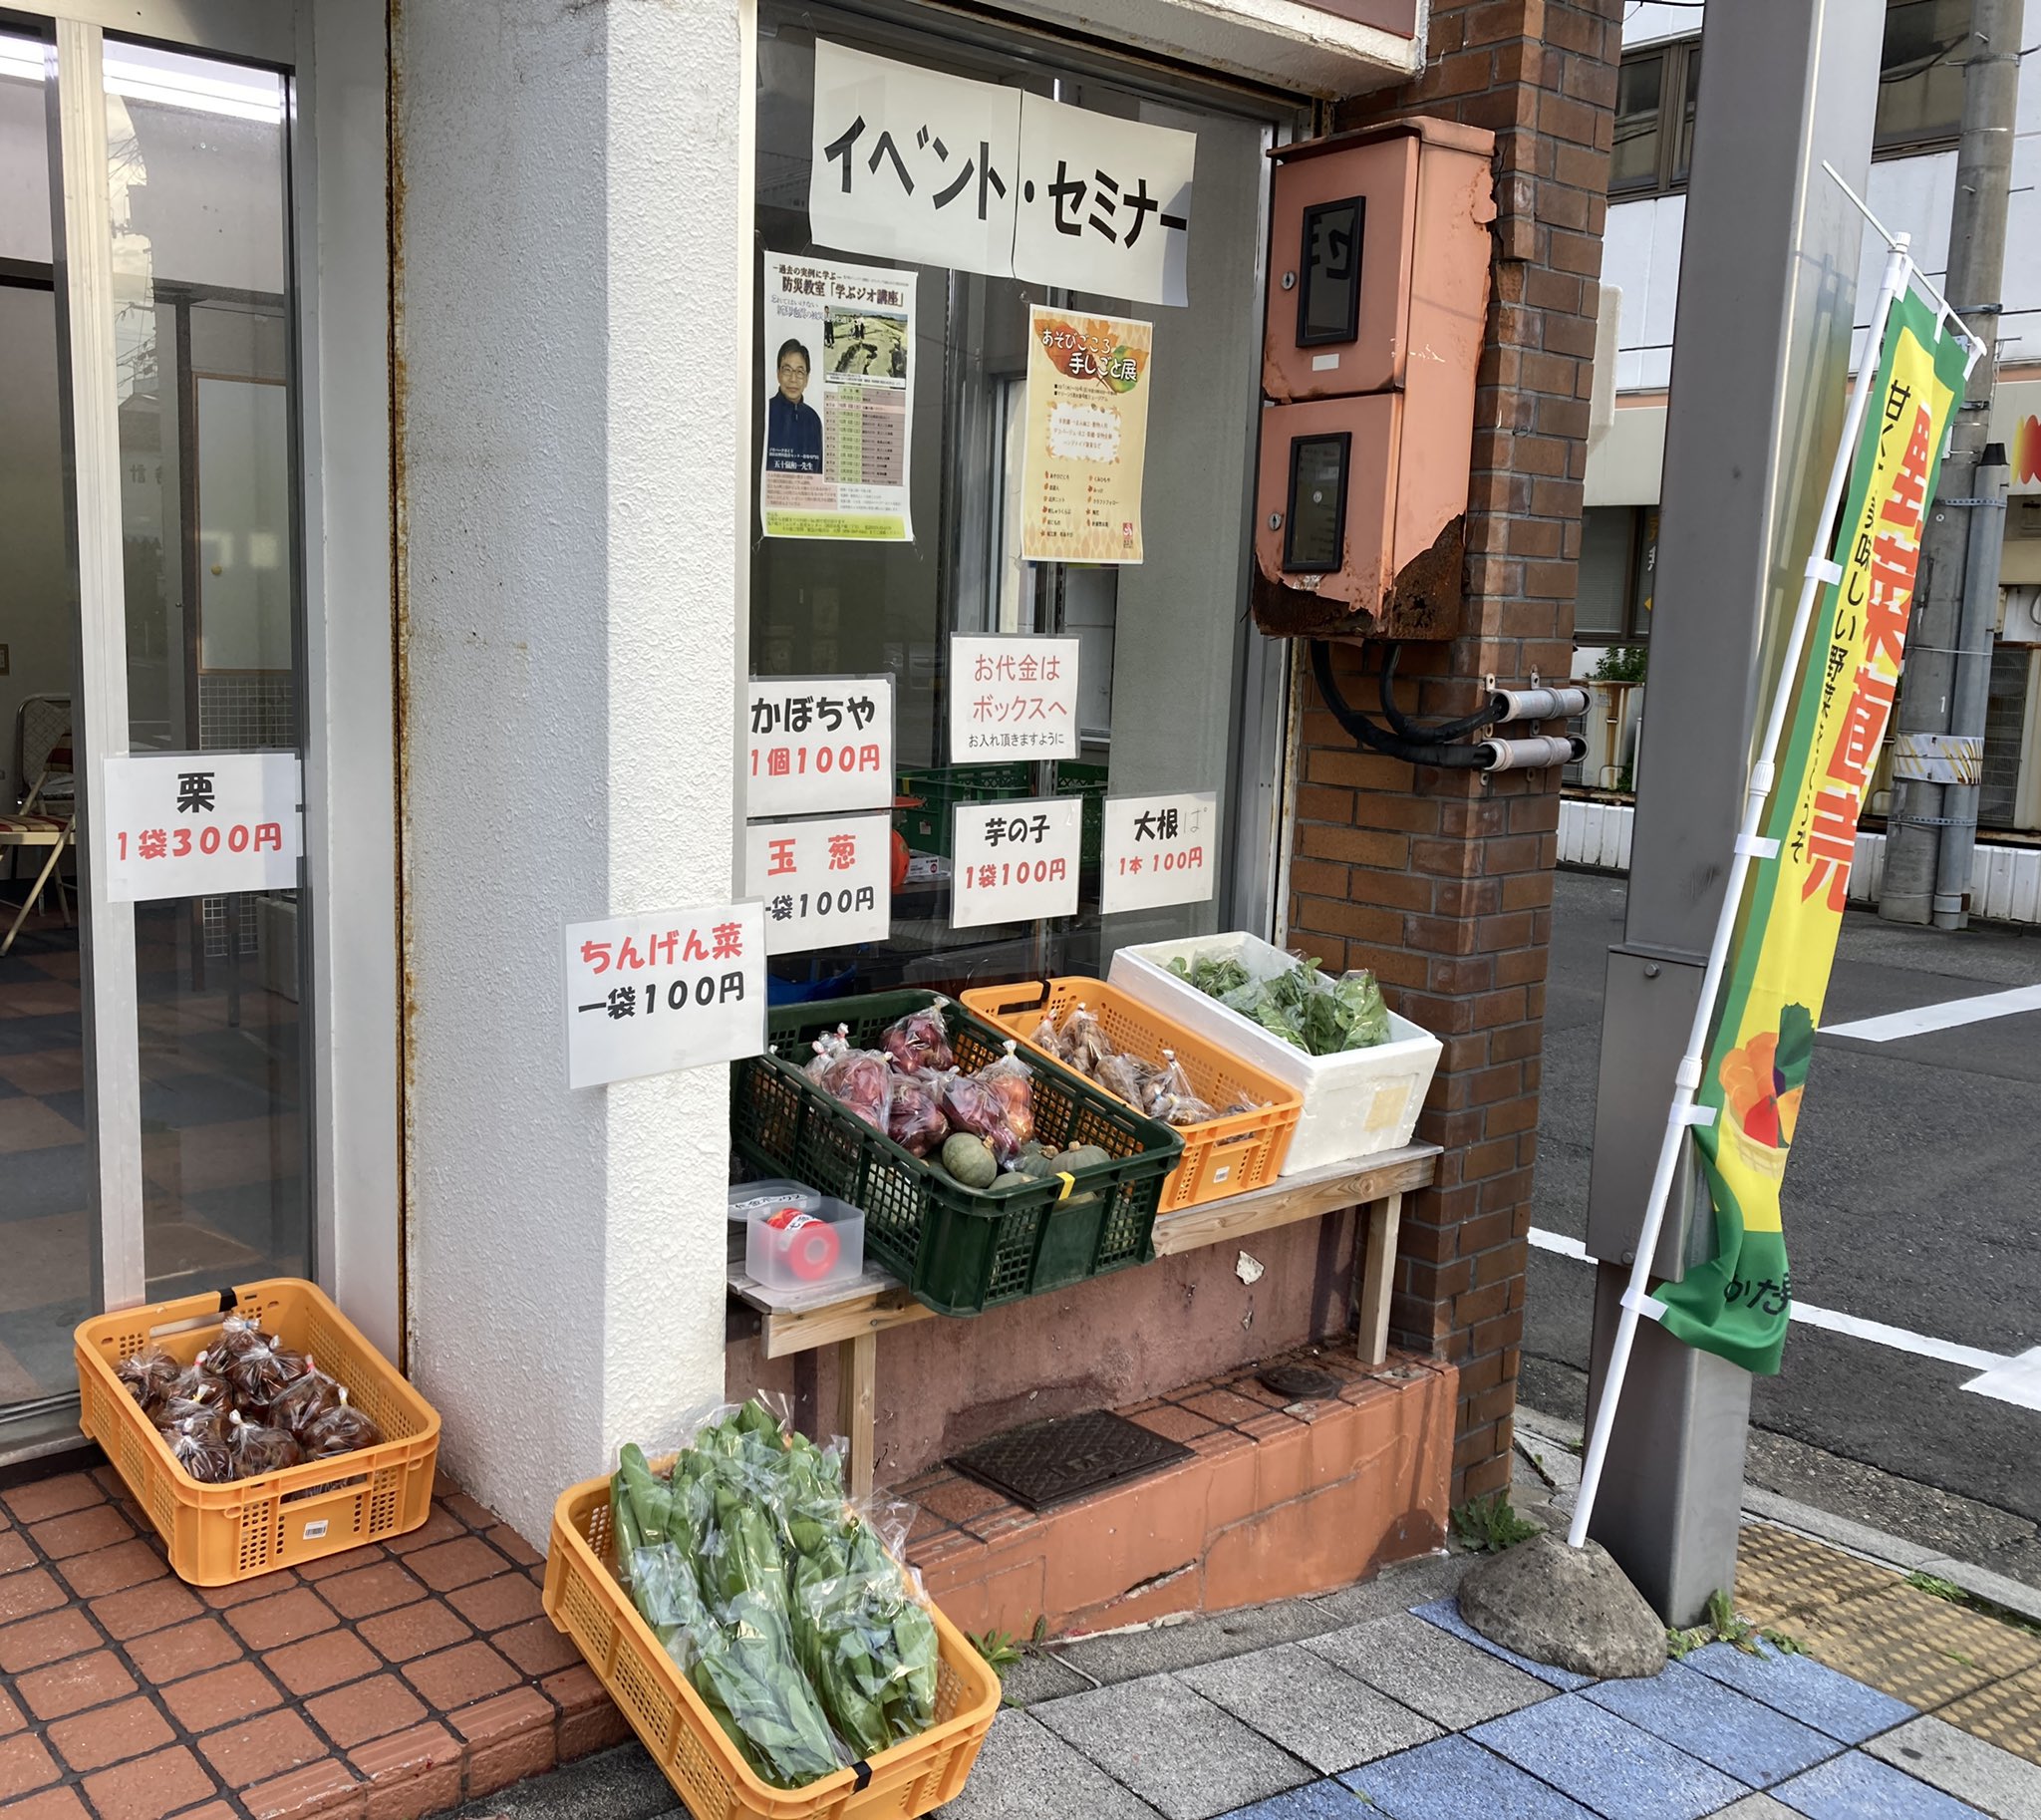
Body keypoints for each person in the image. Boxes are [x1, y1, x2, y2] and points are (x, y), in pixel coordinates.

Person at [765, 339, 823, 474]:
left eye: (800, 372)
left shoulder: (813, 419)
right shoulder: (765, 411)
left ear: (807, 378)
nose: (793, 379)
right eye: (787, 370)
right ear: (778, 374)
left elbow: (818, 471)